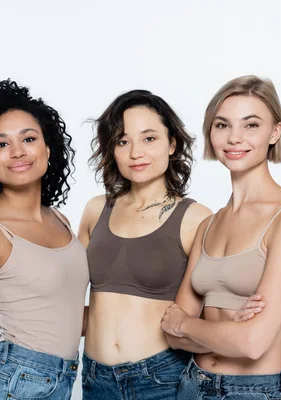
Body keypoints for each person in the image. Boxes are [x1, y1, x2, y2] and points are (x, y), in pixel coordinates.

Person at [162, 76, 281, 400]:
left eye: (251, 125)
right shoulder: (209, 224)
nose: (234, 138)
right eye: (222, 125)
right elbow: (170, 334)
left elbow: (253, 344)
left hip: (251, 391)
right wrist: (228, 330)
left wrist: (187, 326)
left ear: (275, 132)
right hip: (192, 384)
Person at [0, 79, 89, 400]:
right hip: (11, 384)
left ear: (48, 148)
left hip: (61, 381)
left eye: (29, 138)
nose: (18, 151)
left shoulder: (60, 220)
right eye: (1, 144)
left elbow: (64, 313)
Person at [79, 89, 212, 399]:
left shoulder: (196, 218)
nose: (135, 152)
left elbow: (211, 308)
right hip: (95, 378)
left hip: (161, 378)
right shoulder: (95, 210)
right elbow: (67, 297)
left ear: (172, 143)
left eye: (149, 138)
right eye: (123, 141)